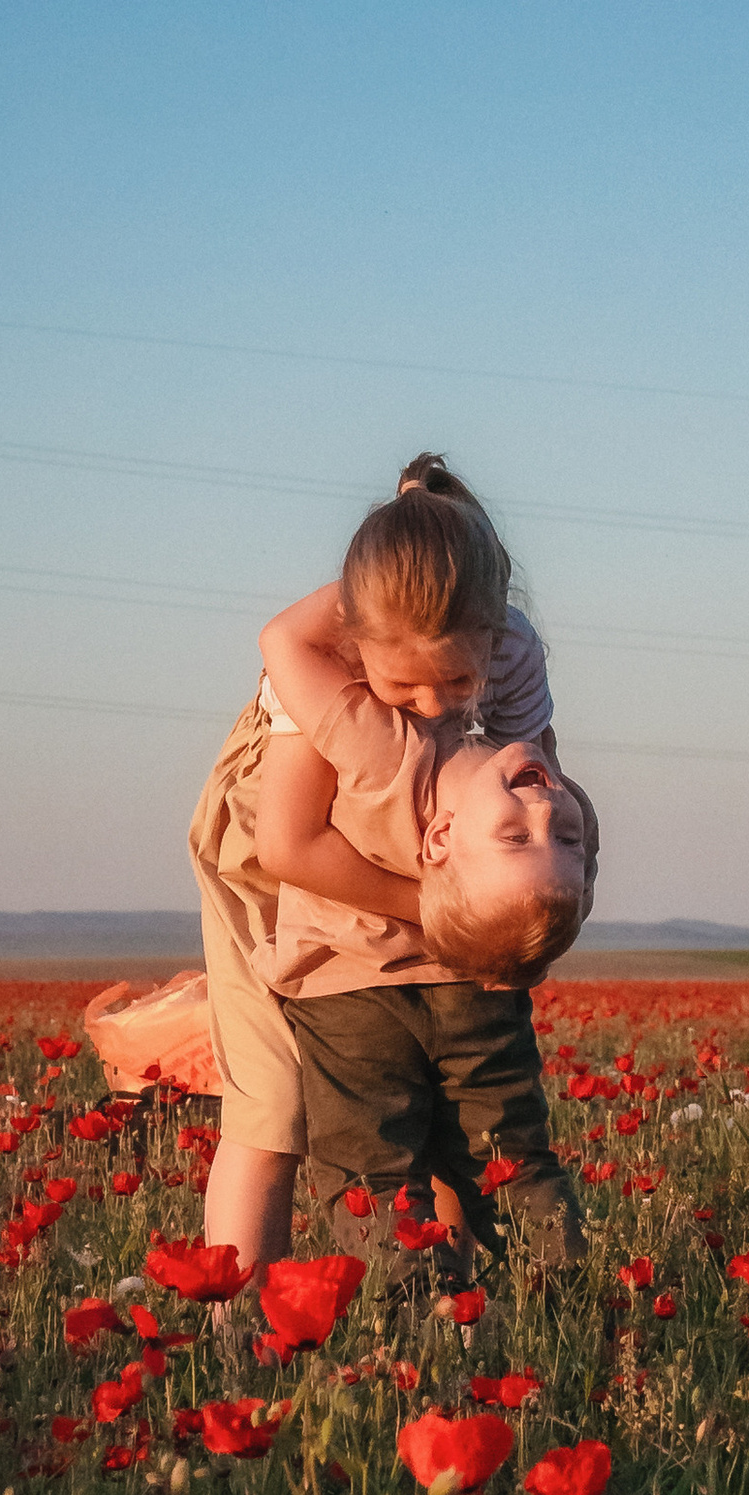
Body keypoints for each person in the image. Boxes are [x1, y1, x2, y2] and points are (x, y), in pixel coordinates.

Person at [186, 454, 593, 1275]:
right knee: (271, 1104)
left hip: (420, 838)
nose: (439, 705)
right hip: (280, 851)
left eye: (459, 680)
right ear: (358, 640)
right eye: (404, 685)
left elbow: (538, 774)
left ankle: (462, 1307)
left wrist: (518, 908)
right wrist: (443, 911)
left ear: (491, 634)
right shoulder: (322, 671)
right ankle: (234, 1324)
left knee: (458, 1115)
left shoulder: (509, 654)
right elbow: (290, 844)